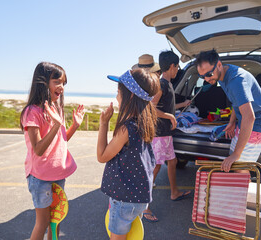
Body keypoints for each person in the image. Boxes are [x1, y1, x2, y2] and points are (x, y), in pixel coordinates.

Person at [20, 62, 85, 240]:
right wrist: (56, 125)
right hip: (40, 176)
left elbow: (60, 141)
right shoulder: (32, 112)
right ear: (42, 82)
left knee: (55, 222)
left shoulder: (57, 109)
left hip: (57, 174)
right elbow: (39, 149)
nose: (61, 87)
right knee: (42, 223)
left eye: (64, 83)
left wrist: (74, 126)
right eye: (57, 81)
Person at [97, 69, 159, 240]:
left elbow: (102, 156)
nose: (117, 98)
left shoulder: (126, 128)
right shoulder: (145, 123)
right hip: (138, 199)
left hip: (124, 199)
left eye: (118, 93)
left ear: (130, 96)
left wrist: (103, 124)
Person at [195, 50, 261, 172]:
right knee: (235, 160)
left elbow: (250, 117)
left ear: (219, 65)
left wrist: (236, 154)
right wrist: (232, 122)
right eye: (201, 76)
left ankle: (245, 187)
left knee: (240, 167)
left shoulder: (236, 80)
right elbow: (236, 102)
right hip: (243, 120)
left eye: (208, 74)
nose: (206, 79)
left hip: (257, 122)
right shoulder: (221, 75)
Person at [152, 50, 191, 202]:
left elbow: (168, 107)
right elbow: (151, 108)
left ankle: (174, 192)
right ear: (172, 66)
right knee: (156, 166)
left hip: (166, 134)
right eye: (177, 67)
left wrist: (183, 104)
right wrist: (169, 116)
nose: (177, 70)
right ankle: (144, 206)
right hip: (160, 133)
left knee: (173, 162)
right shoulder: (161, 84)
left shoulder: (168, 84)